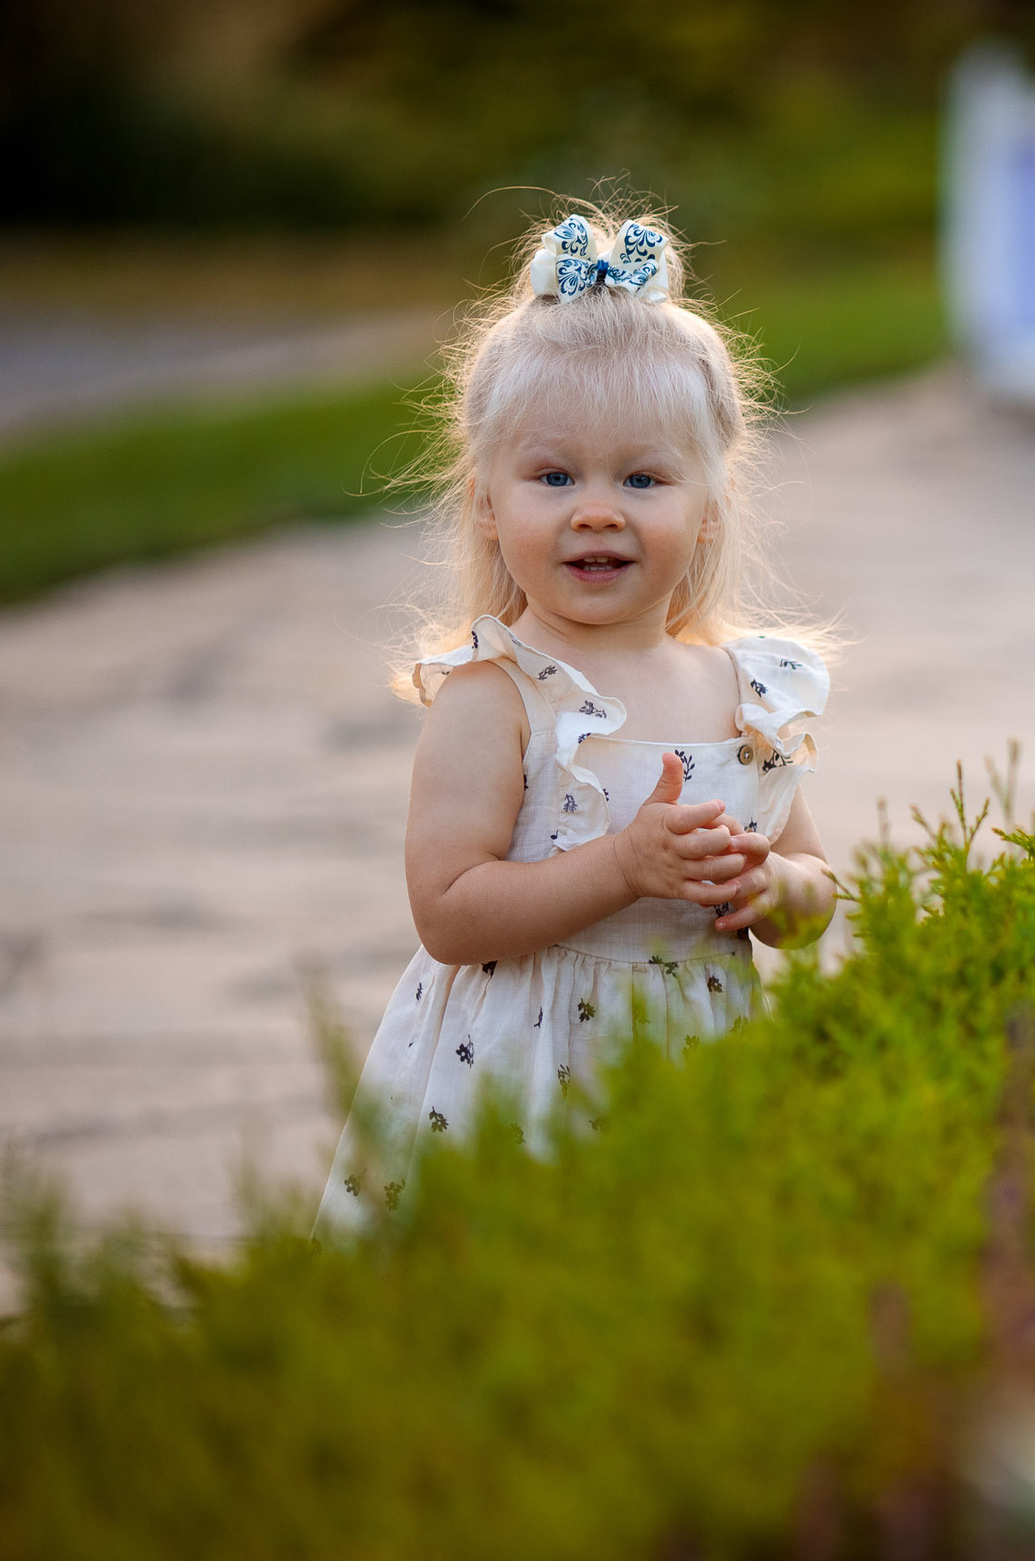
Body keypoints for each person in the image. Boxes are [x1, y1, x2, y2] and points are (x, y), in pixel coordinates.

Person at [316, 210, 837, 1237]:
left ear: (709, 508)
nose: (596, 510)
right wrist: (624, 866)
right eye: (554, 477)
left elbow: (813, 886)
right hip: (520, 1081)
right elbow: (449, 912)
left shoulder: (744, 695)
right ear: (486, 501)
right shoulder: (500, 694)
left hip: (691, 1072)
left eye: (641, 478)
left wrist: (772, 885)